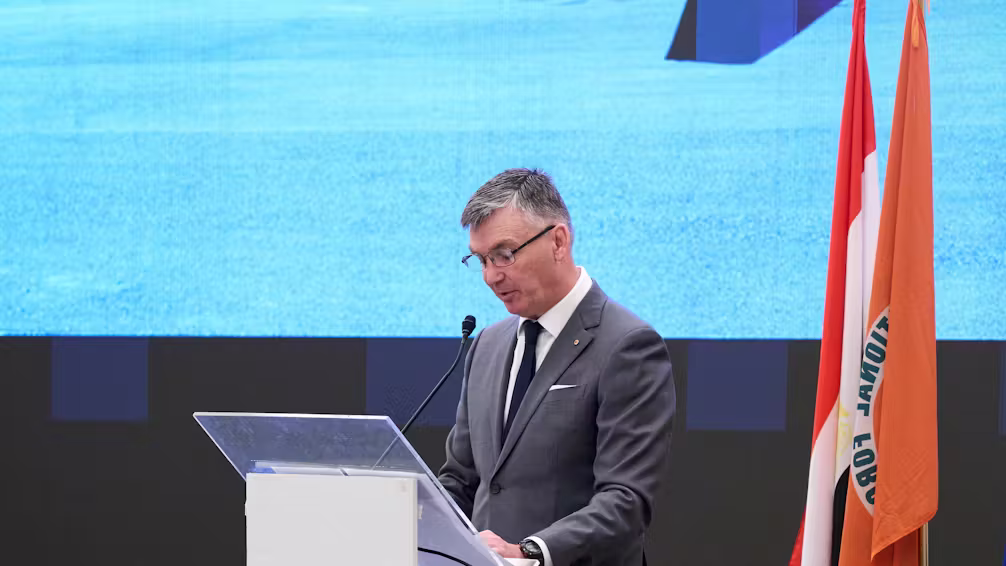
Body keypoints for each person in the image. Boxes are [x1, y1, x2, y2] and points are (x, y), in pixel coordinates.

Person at [439, 168, 676, 566]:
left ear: (558, 241)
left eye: (504, 254)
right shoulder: (487, 345)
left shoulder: (628, 345)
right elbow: (461, 480)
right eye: (480, 260)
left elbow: (625, 501)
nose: (491, 276)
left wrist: (529, 552)